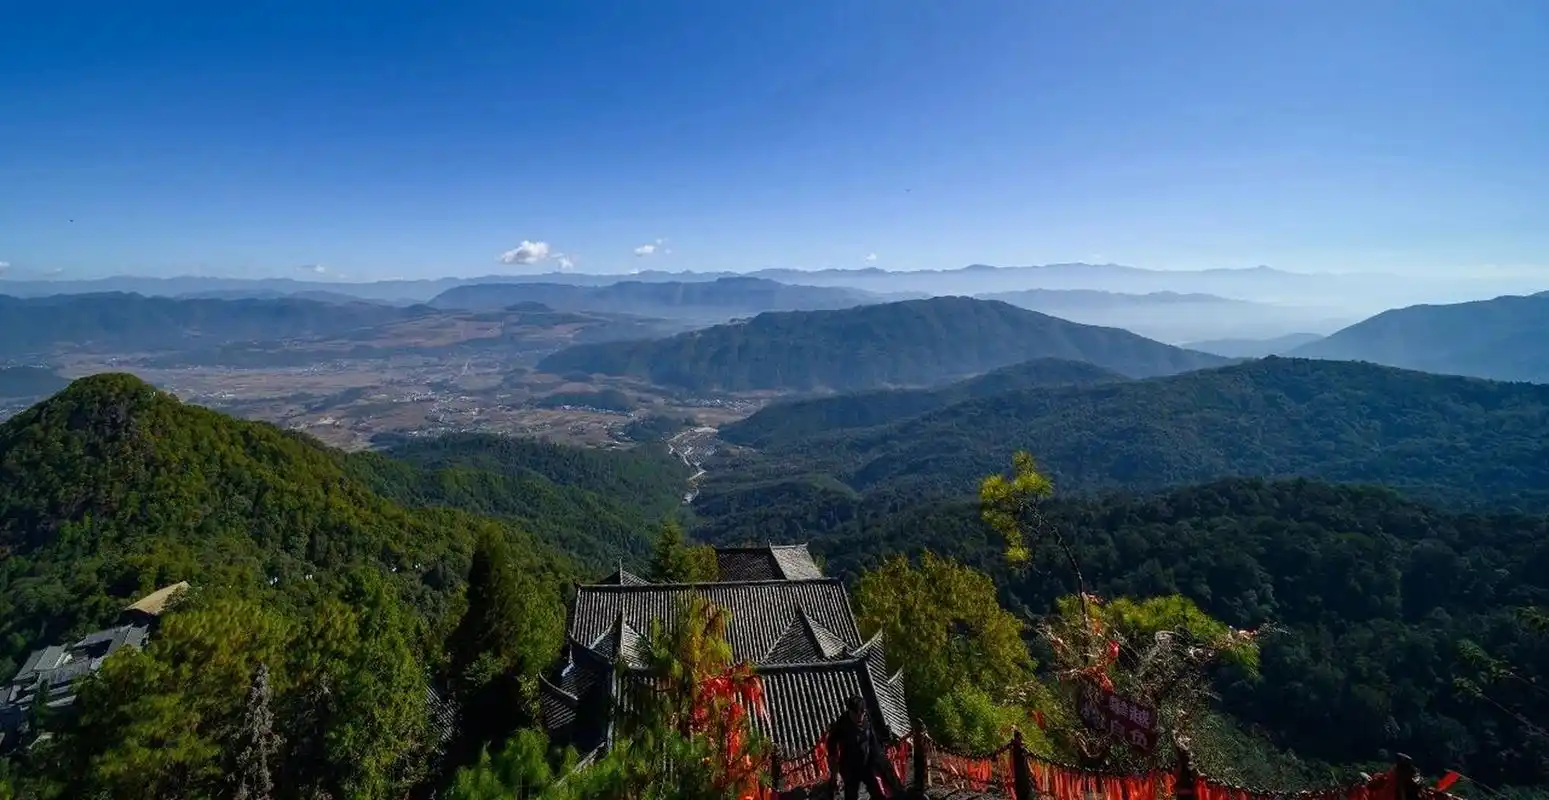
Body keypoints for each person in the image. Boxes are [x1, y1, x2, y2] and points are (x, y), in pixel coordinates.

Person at [825, 695, 904, 799]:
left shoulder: (867, 721)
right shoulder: (841, 725)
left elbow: (873, 743)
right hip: (849, 766)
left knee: (878, 792)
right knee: (851, 795)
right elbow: (831, 747)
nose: (859, 717)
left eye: (862, 713)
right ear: (849, 711)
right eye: (855, 714)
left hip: (866, 763)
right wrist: (835, 773)